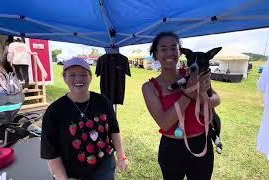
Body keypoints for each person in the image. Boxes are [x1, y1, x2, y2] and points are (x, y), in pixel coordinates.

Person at [142, 32, 221, 180]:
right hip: (172, 148)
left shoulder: (194, 71)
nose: (170, 53)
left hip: (201, 144)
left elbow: (216, 99)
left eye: (174, 48)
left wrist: (202, 97)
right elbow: (165, 123)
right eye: (164, 49)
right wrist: (189, 93)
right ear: (156, 54)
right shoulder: (149, 87)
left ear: (180, 52)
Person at [41, 58, 129, 180]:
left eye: (83, 74)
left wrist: (121, 156)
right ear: (64, 78)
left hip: (104, 167)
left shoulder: (102, 101)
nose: (78, 79)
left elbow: (114, 130)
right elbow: (50, 150)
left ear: (90, 77)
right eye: (72, 75)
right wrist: (63, 178)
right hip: (73, 172)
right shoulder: (54, 111)